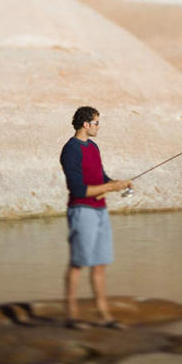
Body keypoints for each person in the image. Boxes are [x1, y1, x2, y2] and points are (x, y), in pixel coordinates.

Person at [60, 106, 132, 330]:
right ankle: (72, 316)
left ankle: (104, 315)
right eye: (96, 123)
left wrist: (117, 183)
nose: (98, 127)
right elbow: (78, 189)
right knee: (78, 263)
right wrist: (110, 187)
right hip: (82, 211)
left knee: (100, 265)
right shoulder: (71, 150)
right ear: (86, 124)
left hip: (100, 210)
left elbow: (101, 177)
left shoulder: (93, 147)